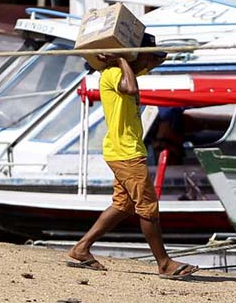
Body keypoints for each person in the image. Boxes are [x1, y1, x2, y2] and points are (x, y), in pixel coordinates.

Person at [67, 37, 198, 279]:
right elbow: (131, 88)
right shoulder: (115, 74)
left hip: (124, 151)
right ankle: (164, 264)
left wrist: (144, 54)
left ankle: (81, 249)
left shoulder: (125, 70)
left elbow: (155, 61)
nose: (150, 63)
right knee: (148, 206)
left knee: (123, 205)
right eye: (146, 57)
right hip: (126, 153)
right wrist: (120, 57)